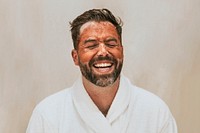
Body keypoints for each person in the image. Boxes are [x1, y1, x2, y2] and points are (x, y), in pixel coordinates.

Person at [26, 8, 178, 133]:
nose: (103, 52)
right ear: (75, 57)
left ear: (122, 51)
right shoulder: (47, 115)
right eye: (91, 45)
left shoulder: (155, 111)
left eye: (111, 43)